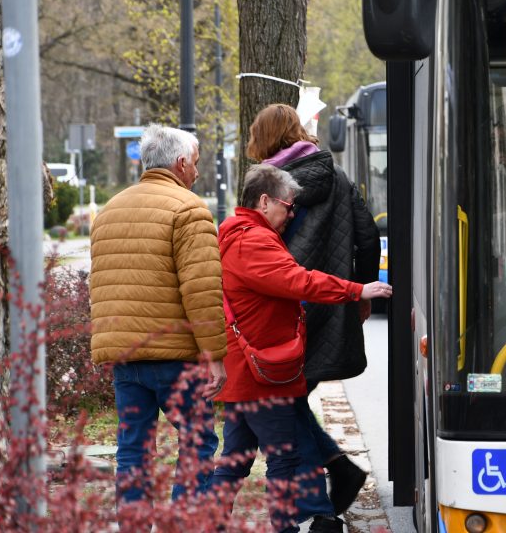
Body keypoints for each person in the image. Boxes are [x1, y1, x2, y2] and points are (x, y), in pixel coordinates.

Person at [212, 164, 392, 533]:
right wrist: (357, 290)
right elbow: (298, 281)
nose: (291, 214)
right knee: (284, 459)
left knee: (234, 459)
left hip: (246, 372)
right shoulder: (254, 240)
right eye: (287, 206)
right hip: (263, 373)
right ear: (264, 201)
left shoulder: (236, 234)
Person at [247, 103, 379, 527]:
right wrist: (360, 291)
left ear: (265, 138)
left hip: (286, 306)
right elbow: (367, 236)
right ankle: (335, 469)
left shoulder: (267, 188)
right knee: (288, 401)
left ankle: (323, 501)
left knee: (280, 402)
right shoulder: (336, 175)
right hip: (331, 304)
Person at [89, 124, 227, 518]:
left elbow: (102, 286)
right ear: (181, 163)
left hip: (126, 360)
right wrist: (214, 355)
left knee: (133, 448)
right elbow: (201, 291)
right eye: (196, 164)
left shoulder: (108, 212)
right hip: (177, 359)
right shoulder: (188, 209)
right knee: (197, 444)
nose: (198, 173)